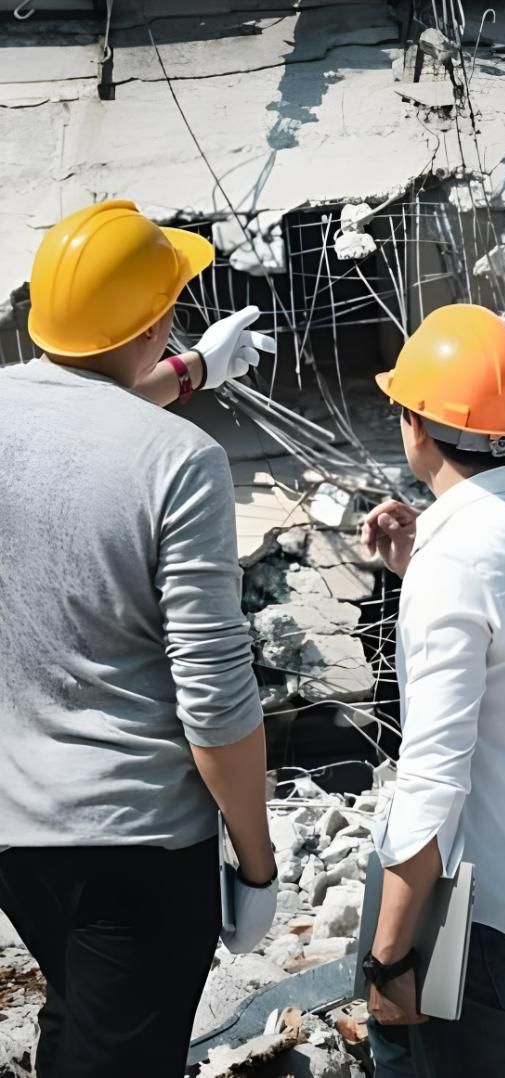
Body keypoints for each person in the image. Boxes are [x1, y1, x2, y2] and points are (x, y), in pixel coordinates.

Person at [0, 200, 279, 1078]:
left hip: (15, 830)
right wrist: (257, 862)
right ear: (156, 320)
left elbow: (70, 436)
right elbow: (214, 697)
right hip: (138, 846)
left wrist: (188, 372)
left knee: (79, 1022)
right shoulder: (181, 462)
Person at [360, 304, 505, 1078]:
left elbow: (433, 774)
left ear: (415, 425)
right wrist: (416, 570)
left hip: (459, 900)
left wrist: (388, 956)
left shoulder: (455, 562)